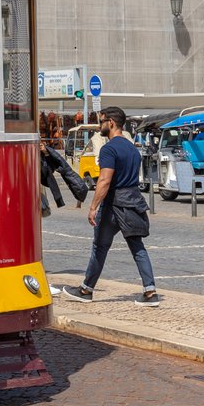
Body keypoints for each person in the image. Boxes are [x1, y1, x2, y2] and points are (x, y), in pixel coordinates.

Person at [60, 107, 159, 308]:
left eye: (102, 121)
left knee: (100, 247)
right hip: (133, 201)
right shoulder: (132, 148)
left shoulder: (109, 149)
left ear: (111, 123)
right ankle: (150, 291)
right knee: (137, 246)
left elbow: (104, 180)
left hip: (114, 203)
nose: (99, 126)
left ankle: (86, 290)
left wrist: (93, 207)